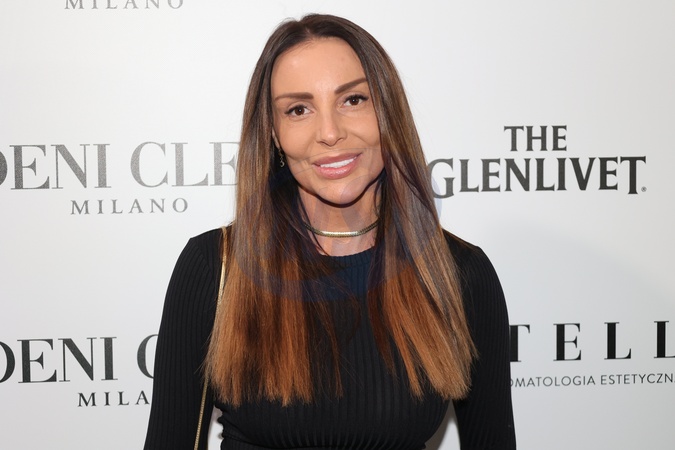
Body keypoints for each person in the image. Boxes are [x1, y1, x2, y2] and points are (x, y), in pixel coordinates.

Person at [144, 13, 515, 450]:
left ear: (387, 112)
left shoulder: (459, 274)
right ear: (274, 134)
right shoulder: (216, 266)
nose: (330, 133)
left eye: (352, 100)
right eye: (298, 110)